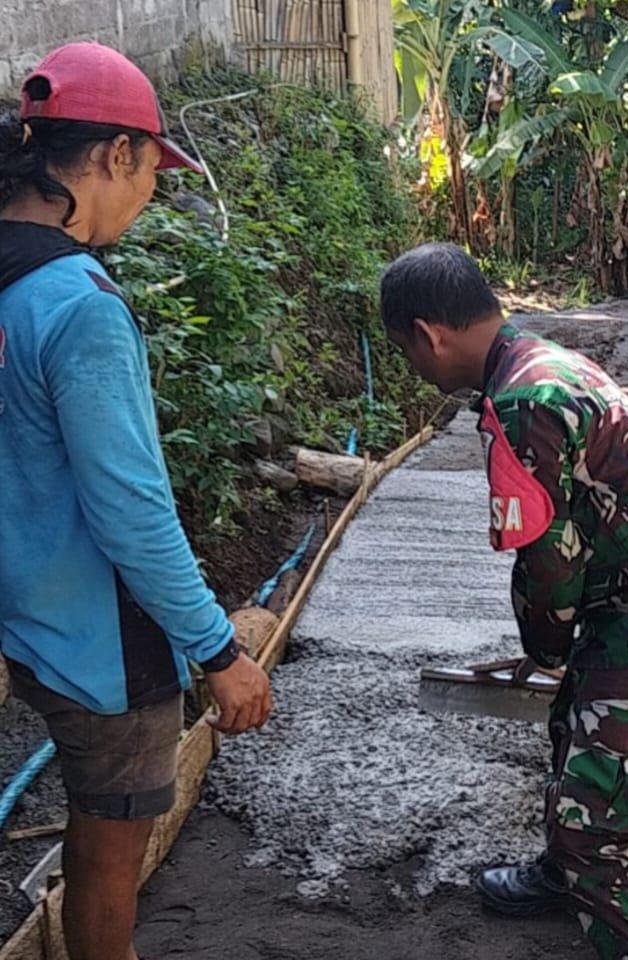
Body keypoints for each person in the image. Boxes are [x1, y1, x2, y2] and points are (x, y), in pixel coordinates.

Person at [0, 43, 272, 960]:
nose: (151, 191)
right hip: (94, 641)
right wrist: (218, 649)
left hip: (17, 616)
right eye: (153, 168)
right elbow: (131, 510)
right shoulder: (77, 305)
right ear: (116, 155)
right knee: (111, 841)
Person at [380, 243, 628, 960]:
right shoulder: (533, 356)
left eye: (406, 351)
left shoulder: (523, 403)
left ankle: (624, 914)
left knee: (600, 822)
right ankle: (562, 873)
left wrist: (543, 646)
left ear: (429, 334)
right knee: (574, 728)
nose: (414, 368)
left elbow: (548, 565)